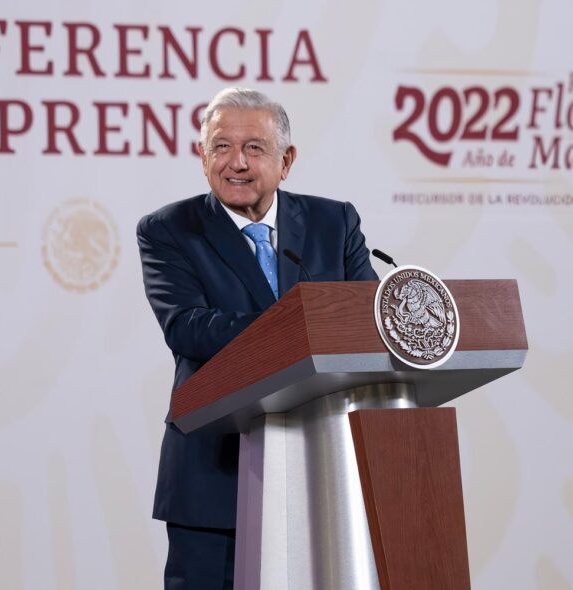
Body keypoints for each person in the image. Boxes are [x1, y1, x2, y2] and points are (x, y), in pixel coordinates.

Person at [137, 87, 378, 589]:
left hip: (325, 467)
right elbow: (187, 327)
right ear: (201, 157)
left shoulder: (335, 222)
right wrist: (305, 328)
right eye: (220, 147)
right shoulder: (168, 230)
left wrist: (324, 327)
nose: (236, 163)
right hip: (214, 473)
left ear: (286, 160)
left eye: (255, 148)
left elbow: (367, 321)